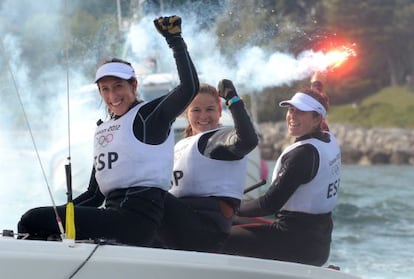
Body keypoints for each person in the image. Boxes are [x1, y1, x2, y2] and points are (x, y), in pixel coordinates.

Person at [17, 15, 199, 247]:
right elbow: (94, 196)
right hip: (115, 218)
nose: (113, 96)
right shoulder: (105, 130)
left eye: (119, 87)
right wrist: (58, 212)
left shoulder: (148, 117)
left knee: (32, 219)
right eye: (105, 89)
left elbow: (189, 87)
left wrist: (175, 41)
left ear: (133, 85)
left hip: (135, 221)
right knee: (41, 220)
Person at [222, 85, 341, 266]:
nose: (292, 116)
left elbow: (269, 204)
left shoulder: (303, 155)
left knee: (215, 234)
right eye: (291, 110)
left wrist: (232, 206)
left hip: (294, 243)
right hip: (317, 243)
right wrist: (316, 88)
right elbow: (320, 115)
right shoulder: (328, 139)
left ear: (317, 119)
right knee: (230, 221)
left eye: (301, 112)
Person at [156, 80, 258, 252]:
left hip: (207, 229)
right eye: (196, 110)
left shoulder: (218, 139)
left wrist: (233, 100)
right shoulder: (182, 145)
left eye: (210, 109)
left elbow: (248, 141)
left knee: (146, 193)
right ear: (187, 114)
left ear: (219, 112)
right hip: (181, 225)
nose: (203, 116)